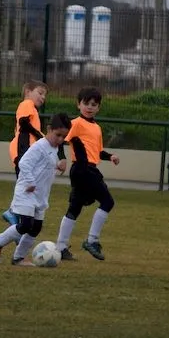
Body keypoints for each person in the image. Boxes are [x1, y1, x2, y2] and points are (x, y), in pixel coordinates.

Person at [0, 113, 72, 266]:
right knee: (26, 225)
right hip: (26, 191)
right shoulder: (39, 146)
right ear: (49, 129)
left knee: (36, 228)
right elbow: (24, 163)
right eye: (58, 135)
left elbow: (45, 165)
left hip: (40, 196)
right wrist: (31, 182)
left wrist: (57, 165)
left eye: (63, 137)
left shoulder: (54, 148)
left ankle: (18, 258)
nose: (60, 140)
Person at [55, 87, 119, 262]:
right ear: (78, 104)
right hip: (82, 169)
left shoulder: (97, 128)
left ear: (98, 107)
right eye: (86, 103)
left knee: (74, 208)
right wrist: (61, 159)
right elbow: (61, 140)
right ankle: (92, 240)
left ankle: (60, 247)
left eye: (94, 104)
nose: (89, 107)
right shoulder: (76, 123)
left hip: (89, 169)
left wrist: (110, 156)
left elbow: (97, 152)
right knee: (107, 201)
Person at [1, 80, 66, 224]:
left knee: (30, 182)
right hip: (22, 148)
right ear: (28, 92)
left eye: (45, 95)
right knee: (26, 182)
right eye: (40, 93)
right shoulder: (26, 104)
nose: (43, 97)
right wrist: (39, 135)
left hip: (28, 149)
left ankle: (17, 219)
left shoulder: (33, 110)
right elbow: (24, 123)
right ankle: (13, 213)